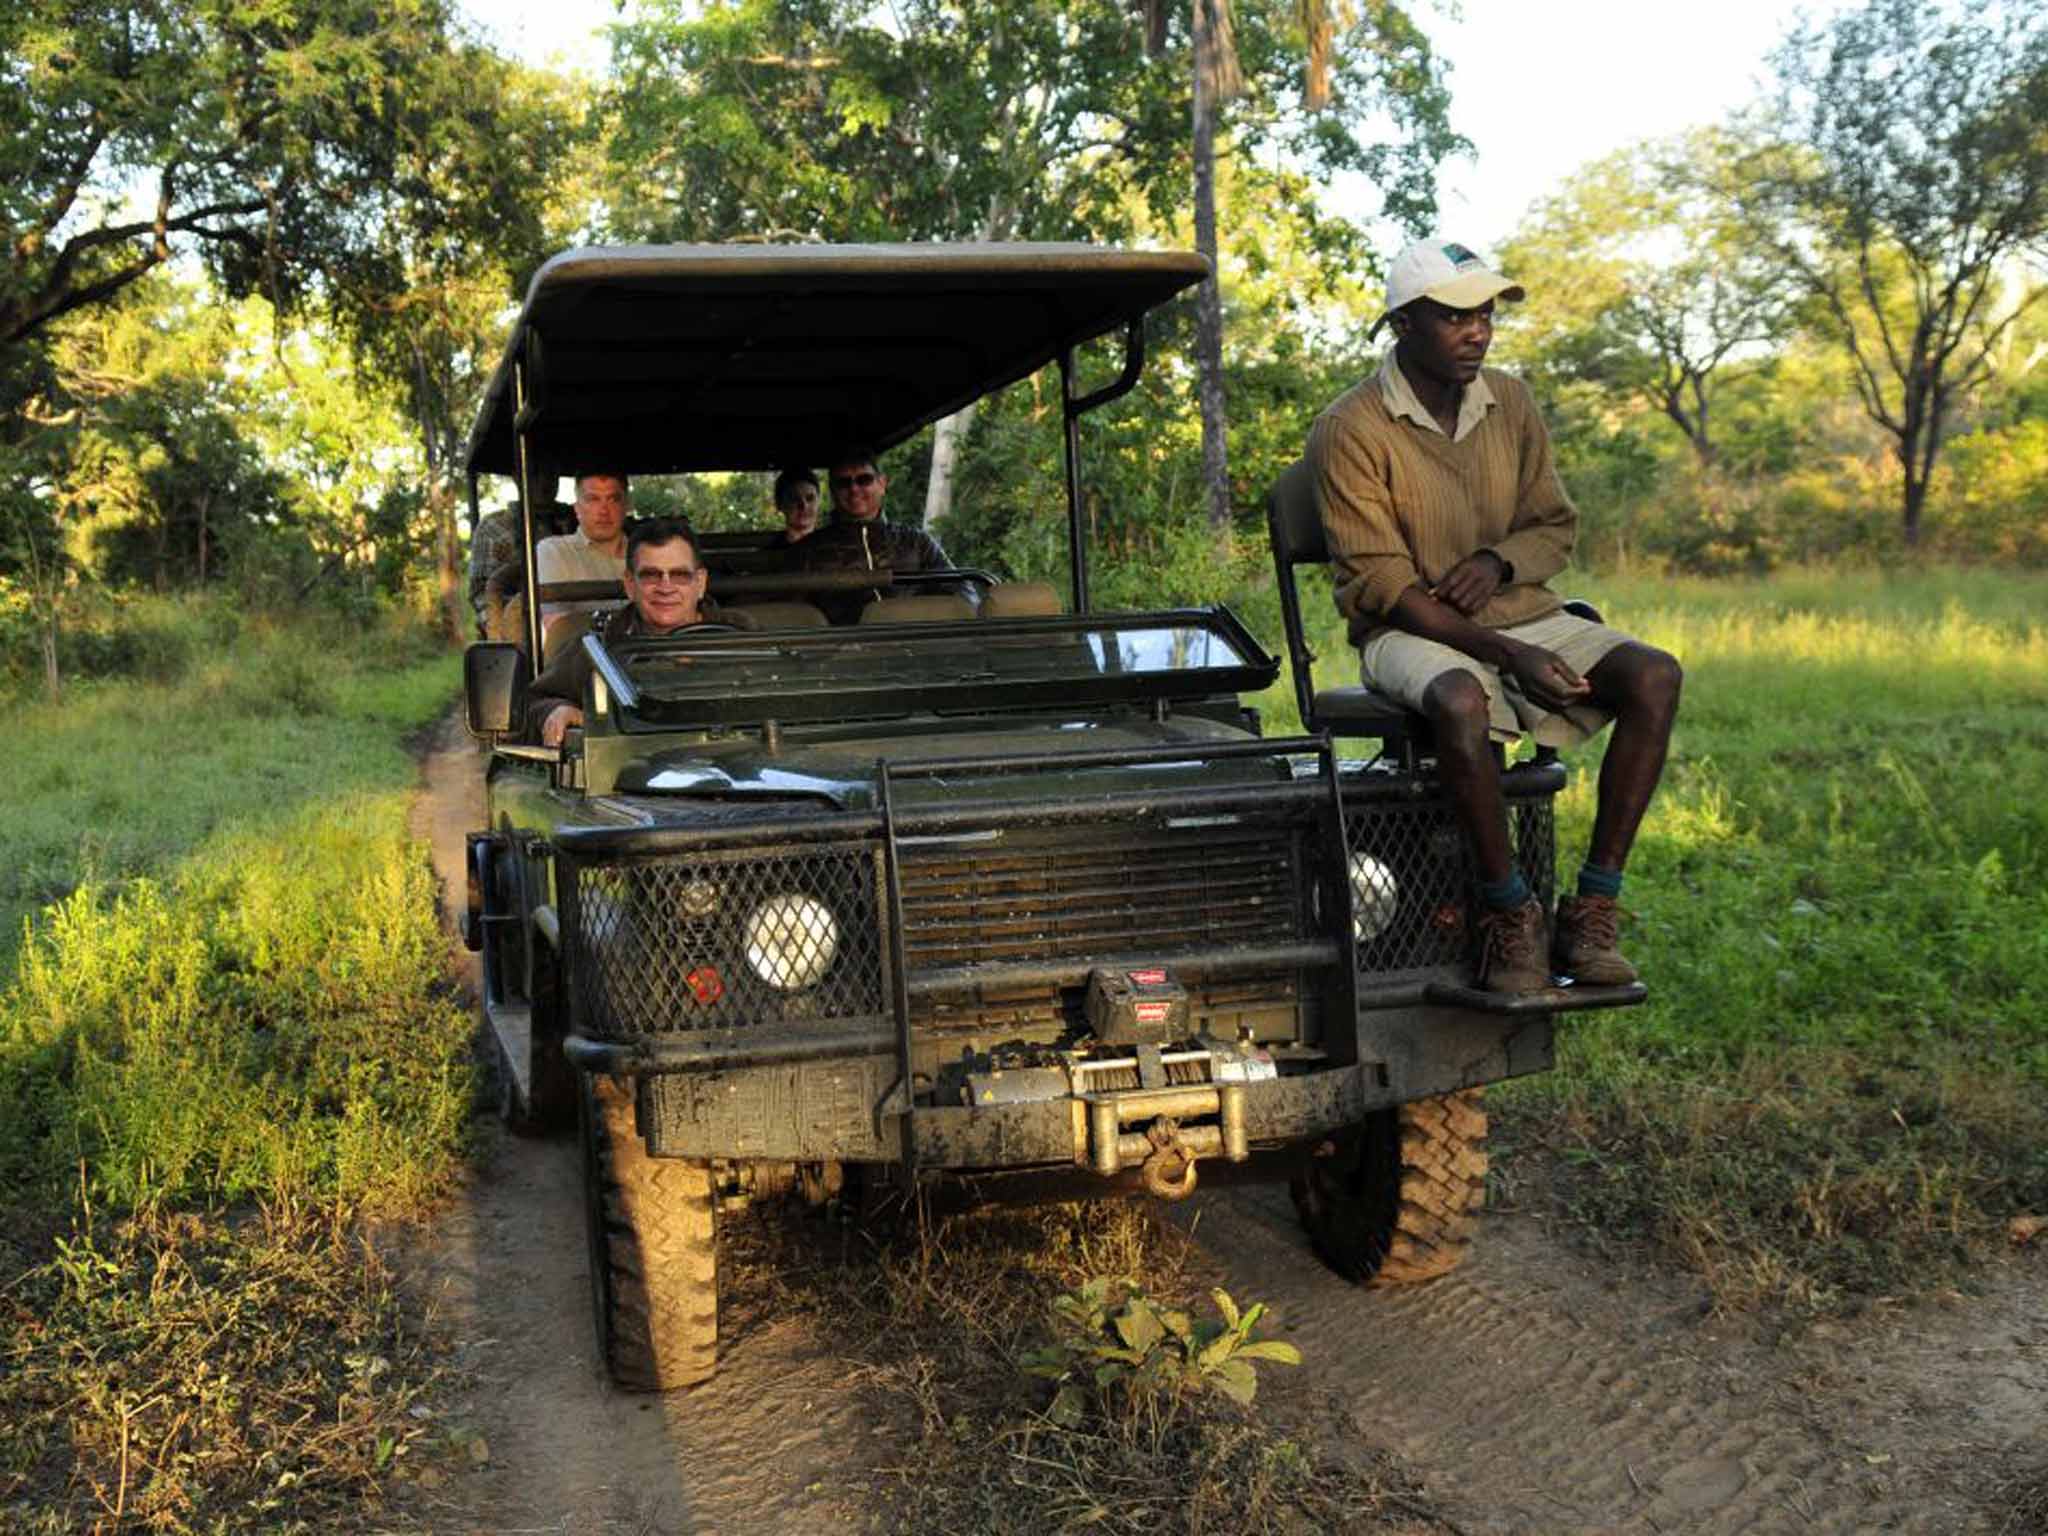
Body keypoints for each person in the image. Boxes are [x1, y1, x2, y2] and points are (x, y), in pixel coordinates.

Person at [1308, 236, 1683, 994]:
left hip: (1523, 610)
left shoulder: (1510, 402)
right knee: (1459, 697)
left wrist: (1497, 563)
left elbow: (1554, 524)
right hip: (1405, 630)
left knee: (1654, 676)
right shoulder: (1351, 428)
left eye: (1484, 312)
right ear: (1404, 323)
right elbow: (1382, 582)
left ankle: (1593, 910)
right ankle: (1507, 913)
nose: (1477, 330)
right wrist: (1504, 655)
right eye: (1454, 316)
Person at [527, 518, 739, 746]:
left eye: (679, 575)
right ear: (629, 584)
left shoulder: (743, 638)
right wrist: (556, 710)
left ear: (700, 582)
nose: (665, 587)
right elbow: (533, 701)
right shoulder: (599, 647)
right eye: (650, 575)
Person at [794, 448, 965, 622]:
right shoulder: (808, 550)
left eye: (864, 480)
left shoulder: (917, 542)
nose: (854, 489)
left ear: (882, 484)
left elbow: (961, 592)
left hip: (914, 639)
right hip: (840, 644)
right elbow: (790, 612)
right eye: (844, 483)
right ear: (833, 491)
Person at [467, 466, 573, 638]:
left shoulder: (578, 519)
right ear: (517, 478)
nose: (544, 482)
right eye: (535, 473)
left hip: (573, 620)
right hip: (520, 629)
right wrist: (500, 630)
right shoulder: (495, 527)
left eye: (550, 473)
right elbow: (481, 592)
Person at [534, 472, 632, 654]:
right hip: (579, 663)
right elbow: (557, 627)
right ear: (577, 509)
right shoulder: (555, 551)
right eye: (593, 499)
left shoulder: (645, 555)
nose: (604, 510)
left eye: (613, 499)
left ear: (626, 506)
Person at [769, 467, 821, 545]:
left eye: (810, 498)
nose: (804, 506)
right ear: (779, 504)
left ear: (818, 501)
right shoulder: (770, 553)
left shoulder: (832, 547)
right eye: (794, 499)